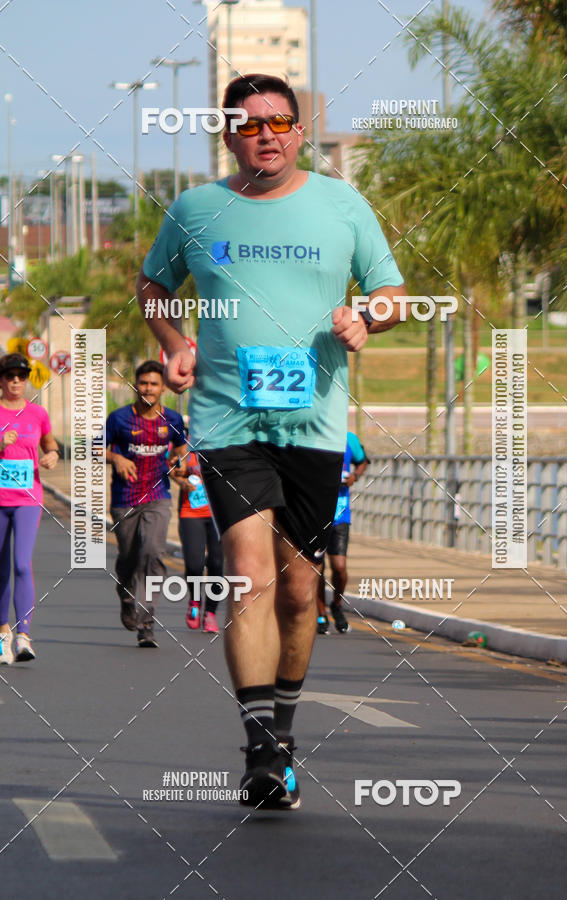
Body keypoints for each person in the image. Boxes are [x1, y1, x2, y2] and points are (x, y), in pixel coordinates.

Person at [137, 73, 408, 809]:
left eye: (280, 122)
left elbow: (391, 291)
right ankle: (259, 750)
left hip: (315, 426)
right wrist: (173, 342)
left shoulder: (341, 204)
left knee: (298, 588)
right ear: (229, 135)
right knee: (249, 573)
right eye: (251, 124)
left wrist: (367, 319)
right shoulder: (196, 208)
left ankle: (283, 731)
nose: (267, 134)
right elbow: (153, 284)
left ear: (298, 131)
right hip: (228, 424)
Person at [106, 360, 187, 648]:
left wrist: (179, 463)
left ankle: (147, 624)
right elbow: (95, 448)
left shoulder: (173, 420)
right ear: (135, 386)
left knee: (153, 553)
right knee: (129, 558)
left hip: (158, 497)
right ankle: (126, 597)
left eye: (154, 384)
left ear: (163, 388)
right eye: (143, 383)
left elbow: (180, 449)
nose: (148, 389)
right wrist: (116, 458)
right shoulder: (119, 419)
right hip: (124, 498)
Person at [0, 353, 59, 664]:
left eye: (21, 376)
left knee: (22, 563)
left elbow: (50, 445)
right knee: (0, 568)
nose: (15, 381)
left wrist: (52, 456)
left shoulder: (37, 413)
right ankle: (2, 633)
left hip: (27, 499)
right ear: (1, 380)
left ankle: (24, 636)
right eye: (9, 375)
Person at [317, 431, 369, 635]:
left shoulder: (350, 438)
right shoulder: (312, 434)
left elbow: (363, 461)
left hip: (340, 513)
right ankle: (320, 612)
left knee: (339, 567)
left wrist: (355, 476)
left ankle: (336, 605)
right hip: (315, 514)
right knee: (316, 568)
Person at [171, 451, 224, 634]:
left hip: (219, 515)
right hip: (191, 513)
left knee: (217, 563)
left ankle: (210, 613)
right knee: (195, 565)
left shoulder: (225, 445)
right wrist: (182, 481)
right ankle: (195, 599)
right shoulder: (187, 447)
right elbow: (172, 468)